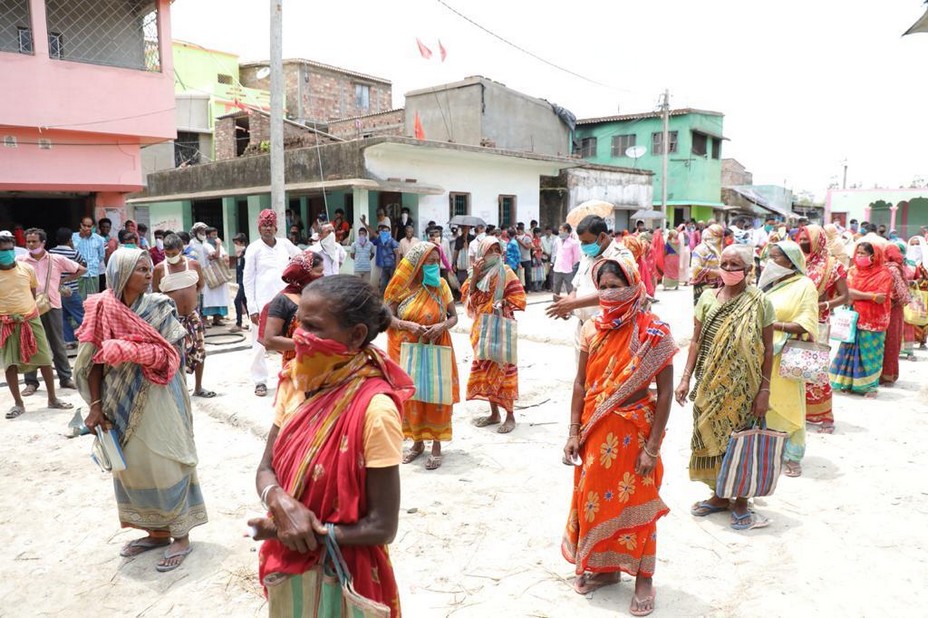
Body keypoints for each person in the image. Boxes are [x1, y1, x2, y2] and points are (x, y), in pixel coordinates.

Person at [250, 276, 413, 617]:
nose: (299, 336)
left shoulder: (375, 409)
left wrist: (291, 533)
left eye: (314, 327)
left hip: (346, 574)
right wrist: (278, 501)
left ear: (355, 335)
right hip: (289, 568)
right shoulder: (296, 379)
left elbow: (383, 526)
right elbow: (266, 468)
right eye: (298, 325)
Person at [77, 248, 207, 572]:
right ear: (119, 273)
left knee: (164, 460)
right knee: (133, 464)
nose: (149, 274)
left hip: (159, 393)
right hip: (117, 397)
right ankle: (155, 531)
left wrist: (131, 350)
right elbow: (93, 361)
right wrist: (95, 406)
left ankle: (180, 535)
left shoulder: (160, 306)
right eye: (141, 269)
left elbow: (172, 354)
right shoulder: (101, 308)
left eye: (150, 269)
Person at [562, 258, 676, 614]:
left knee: (638, 503)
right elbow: (581, 383)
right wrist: (572, 430)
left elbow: (666, 392)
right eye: (604, 286)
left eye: (616, 285)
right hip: (596, 430)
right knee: (594, 498)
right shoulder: (591, 329)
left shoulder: (653, 330)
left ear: (633, 283)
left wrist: (653, 448)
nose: (610, 293)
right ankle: (607, 570)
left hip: (635, 431)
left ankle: (644, 579)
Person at [676, 244, 775, 530]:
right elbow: (695, 341)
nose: (729, 270)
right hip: (709, 385)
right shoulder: (707, 298)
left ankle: (742, 499)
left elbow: (768, 349)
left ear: (748, 269)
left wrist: (764, 390)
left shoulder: (759, 302)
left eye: (736, 265)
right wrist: (685, 378)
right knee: (709, 436)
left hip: (745, 388)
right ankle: (719, 495)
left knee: (741, 440)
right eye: (725, 264)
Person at [384, 242, 459, 470]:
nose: (435, 266)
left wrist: (441, 326)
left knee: (436, 393)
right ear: (418, 263)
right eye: (431, 262)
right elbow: (387, 316)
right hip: (408, 350)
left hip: (437, 346)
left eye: (437, 262)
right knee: (412, 395)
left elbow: (454, 317)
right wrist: (407, 324)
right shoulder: (402, 287)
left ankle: (436, 445)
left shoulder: (442, 286)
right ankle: (417, 443)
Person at [758, 241, 820, 477]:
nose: (770, 263)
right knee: (763, 401)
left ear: (791, 262)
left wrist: (772, 325)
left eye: (775, 258)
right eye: (769, 257)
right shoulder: (769, 284)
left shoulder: (805, 286)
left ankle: (793, 455)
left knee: (790, 403)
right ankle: (767, 449)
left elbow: (806, 323)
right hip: (761, 351)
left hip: (785, 355)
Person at [1, 231, 74, 419]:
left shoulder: (26, 269)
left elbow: (32, 293)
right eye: (3, 250)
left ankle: (52, 398)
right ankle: (18, 403)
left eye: (9, 249)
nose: (7, 253)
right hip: (7, 323)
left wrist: (27, 312)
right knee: (10, 364)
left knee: (43, 358)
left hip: (31, 319)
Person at [546, 216, 634, 361]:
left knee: (604, 380)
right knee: (582, 379)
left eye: (587, 242)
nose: (583, 246)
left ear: (602, 237)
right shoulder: (587, 256)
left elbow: (616, 293)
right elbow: (576, 288)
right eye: (581, 242)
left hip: (609, 330)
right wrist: (567, 303)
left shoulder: (620, 257)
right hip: (583, 329)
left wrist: (574, 304)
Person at [462, 237, 526, 434]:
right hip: (481, 327)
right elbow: (467, 298)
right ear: (482, 252)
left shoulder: (506, 271)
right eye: (490, 250)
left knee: (504, 368)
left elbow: (519, 297)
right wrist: (475, 276)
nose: (495, 253)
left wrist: (504, 303)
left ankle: (510, 415)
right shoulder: (476, 273)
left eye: (498, 249)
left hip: (500, 326)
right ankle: (494, 414)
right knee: (485, 368)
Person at [19, 227, 85, 396]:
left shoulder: (56, 259)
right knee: (30, 344)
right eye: (28, 241)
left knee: (57, 343)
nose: (31, 244)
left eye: (34, 241)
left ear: (43, 242)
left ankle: (65, 378)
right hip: (29, 308)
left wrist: (63, 281)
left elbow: (82, 269)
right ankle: (31, 382)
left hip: (52, 305)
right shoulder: (21, 261)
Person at [243, 209, 301, 397]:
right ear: (259, 228)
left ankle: (289, 376)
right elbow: (248, 279)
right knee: (260, 344)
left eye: (271, 225)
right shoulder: (253, 248)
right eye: (264, 225)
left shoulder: (285, 244)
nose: (268, 228)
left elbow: (302, 257)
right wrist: (252, 307)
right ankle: (260, 381)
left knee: (286, 340)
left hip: (286, 302)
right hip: (263, 304)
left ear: (276, 227)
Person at [798, 225, 849, 433]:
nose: (802, 242)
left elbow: (845, 296)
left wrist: (824, 305)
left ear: (818, 240)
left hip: (818, 323)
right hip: (795, 320)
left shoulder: (833, 266)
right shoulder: (796, 261)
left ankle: (825, 416)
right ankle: (798, 412)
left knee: (816, 370)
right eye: (800, 238)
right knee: (793, 366)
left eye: (806, 239)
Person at [153, 234, 215, 398]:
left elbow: (200, 285)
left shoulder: (193, 265)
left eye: (174, 253)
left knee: (199, 351)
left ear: (181, 250)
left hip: (192, 317)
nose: (171, 257)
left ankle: (199, 387)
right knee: (175, 354)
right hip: (172, 320)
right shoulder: (160, 269)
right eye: (168, 254)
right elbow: (155, 293)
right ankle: (179, 390)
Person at [829, 241, 892, 398]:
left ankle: (870, 387)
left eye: (863, 253)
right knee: (848, 350)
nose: (859, 256)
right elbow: (846, 293)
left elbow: (881, 298)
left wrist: (857, 295)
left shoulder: (884, 274)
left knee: (869, 353)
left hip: (874, 320)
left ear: (874, 256)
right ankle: (848, 383)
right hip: (852, 318)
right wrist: (869, 295)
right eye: (858, 253)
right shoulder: (851, 272)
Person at [262, 250, 324, 366]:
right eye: (319, 272)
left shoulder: (321, 295)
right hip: (296, 366)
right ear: (304, 273)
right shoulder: (283, 300)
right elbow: (270, 341)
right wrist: (309, 343)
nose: (322, 276)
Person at [49, 227, 87, 348]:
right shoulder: (74, 253)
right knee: (81, 315)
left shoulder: (50, 253)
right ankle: (89, 339)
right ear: (70, 240)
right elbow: (84, 267)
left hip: (55, 290)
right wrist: (67, 279)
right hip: (71, 290)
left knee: (62, 316)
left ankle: (69, 341)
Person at [880, 242, 911, 385]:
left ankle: (885, 374)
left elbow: (900, 294)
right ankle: (890, 373)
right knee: (894, 341)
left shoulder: (890, 269)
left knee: (888, 341)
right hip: (897, 311)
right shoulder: (900, 267)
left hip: (889, 308)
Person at [188, 224, 231, 327]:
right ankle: (205, 319)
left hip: (219, 272)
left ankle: (218, 318)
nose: (215, 237)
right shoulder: (204, 245)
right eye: (213, 235)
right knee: (207, 297)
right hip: (207, 272)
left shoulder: (214, 245)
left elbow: (224, 256)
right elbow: (215, 255)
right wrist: (218, 246)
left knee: (220, 296)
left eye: (216, 235)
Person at [689, 223, 725, 305]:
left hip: (718, 285)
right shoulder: (700, 250)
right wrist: (715, 272)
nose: (721, 239)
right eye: (719, 236)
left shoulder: (718, 249)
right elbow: (695, 268)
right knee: (703, 310)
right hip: (703, 286)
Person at [903, 236, 928, 356]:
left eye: (917, 244)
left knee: (923, 315)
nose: (914, 247)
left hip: (926, 293)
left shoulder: (926, 261)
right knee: (910, 316)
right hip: (911, 292)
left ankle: (923, 340)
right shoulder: (906, 261)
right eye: (912, 245)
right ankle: (911, 340)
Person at [72, 216, 106, 299]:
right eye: (84, 225)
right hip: (79, 273)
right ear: (81, 225)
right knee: (79, 299)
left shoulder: (99, 239)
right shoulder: (74, 237)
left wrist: (93, 263)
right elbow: (72, 251)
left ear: (93, 227)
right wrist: (81, 237)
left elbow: (101, 255)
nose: (86, 228)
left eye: (89, 226)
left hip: (93, 273)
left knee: (93, 299)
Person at [368, 220, 400, 295]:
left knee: (393, 284)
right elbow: (372, 232)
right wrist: (364, 223)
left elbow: (397, 254)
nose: (384, 233)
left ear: (389, 232)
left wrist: (397, 267)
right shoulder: (380, 240)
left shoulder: (393, 242)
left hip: (392, 266)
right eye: (383, 231)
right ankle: (381, 300)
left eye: (386, 231)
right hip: (384, 267)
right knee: (383, 284)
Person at [551, 223, 580, 295]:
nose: (559, 231)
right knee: (556, 288)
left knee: (570, 288)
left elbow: (576, 257)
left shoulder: (573, 243)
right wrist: (552, 262)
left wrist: (570, 264)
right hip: (557, 268)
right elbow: (554, 252)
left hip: (568, 269)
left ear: (566, 230)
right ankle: (556, 303)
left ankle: (571, 304)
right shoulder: (557, 240)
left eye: (561, 230)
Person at [231, 233, 249, 333]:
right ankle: (251, 322)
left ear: (242, 243)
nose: (235, 245)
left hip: (245, 282)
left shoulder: (246, 253)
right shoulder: (240, 254)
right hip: (241, 282)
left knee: (237, 301)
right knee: (245, 302)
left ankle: (239, 324)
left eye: (237, 243)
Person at [662, 226, 683, 290]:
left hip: (669, 258)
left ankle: (666, 285)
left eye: (669, 234)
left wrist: (663, 255)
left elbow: (665, 251)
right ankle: (676, 285)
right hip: (676, 258)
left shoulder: (669, 242)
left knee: (668, 272)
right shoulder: (678, 242)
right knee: (675, 271)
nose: (668, 235)